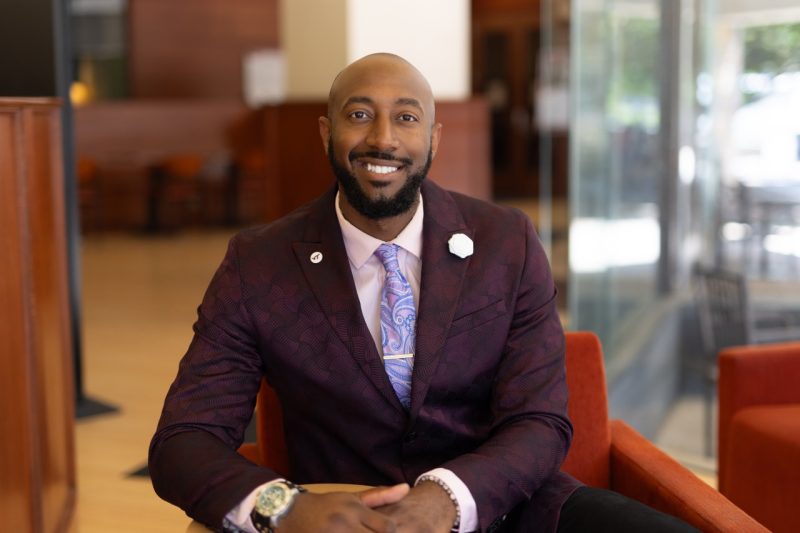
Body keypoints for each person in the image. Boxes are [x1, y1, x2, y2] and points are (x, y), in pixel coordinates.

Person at [150, 53, 697, 533]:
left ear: (433, 138)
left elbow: (541, 421)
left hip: (502, 508)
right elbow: (184, 441)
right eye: (359, 115)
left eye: (406, 118)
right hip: (339, 516)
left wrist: (446, 499)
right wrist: (288, 509)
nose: (382, 138)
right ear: (326, 133)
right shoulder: (259, 263)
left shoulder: (507, 242)